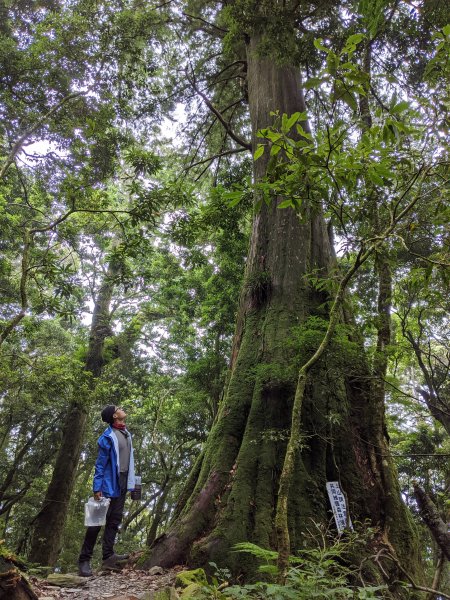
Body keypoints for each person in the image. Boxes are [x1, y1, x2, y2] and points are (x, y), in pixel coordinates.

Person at [78, 405, 136, 577]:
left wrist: (132, 483)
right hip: (108, 485)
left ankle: (108, 556)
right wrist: (97, 488)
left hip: (123, 483)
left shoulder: (126, 433)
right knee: (96, 523)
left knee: (114, 520)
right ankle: (84, 561)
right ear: (114, 416)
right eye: (118, 408)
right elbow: (100, 464)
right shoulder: (107, 437)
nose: (121, 409)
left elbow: (129, 461)